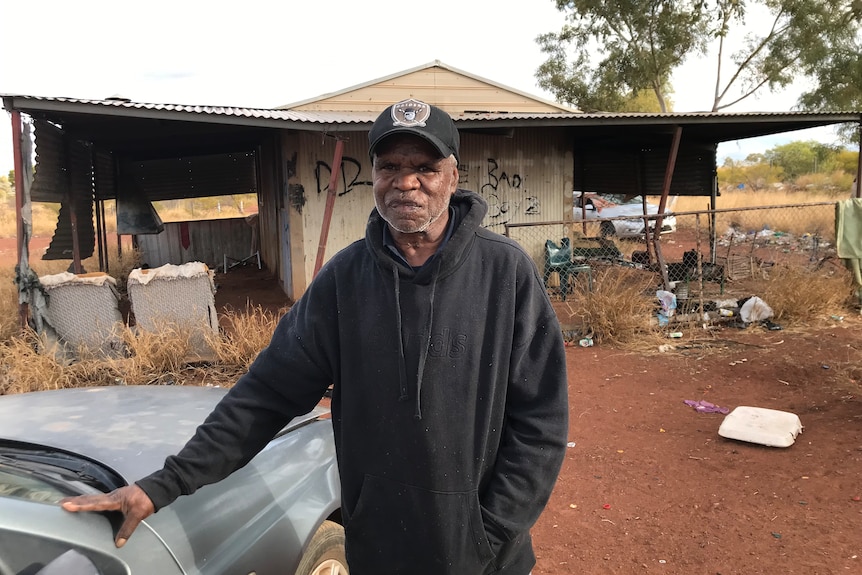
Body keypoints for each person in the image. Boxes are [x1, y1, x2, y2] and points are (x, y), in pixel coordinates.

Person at [61, 98, 569, 575]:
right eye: (389, 167)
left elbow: (540, 422)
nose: (405, 183)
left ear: (453, 177)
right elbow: (267, 394)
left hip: (483, 559)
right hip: (378, 550)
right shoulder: (344, 280)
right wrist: (164, 485)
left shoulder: (505, 274)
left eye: (424, 168)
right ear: (374, 176)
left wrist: (491, 532)